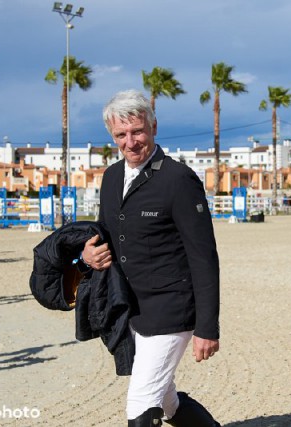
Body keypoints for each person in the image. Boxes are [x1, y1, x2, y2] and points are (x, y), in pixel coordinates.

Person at [81, 90, 221, 427]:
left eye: (137, 131)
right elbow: (104, 233)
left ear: (153, 127)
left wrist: (207, 327)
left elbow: (204, 257)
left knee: (142, 402)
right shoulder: (111, 177)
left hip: (171, 309)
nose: (130, 142)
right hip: (132, 308)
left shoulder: (178, 179)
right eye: (121, 134)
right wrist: (88, 254)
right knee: (166, 398)